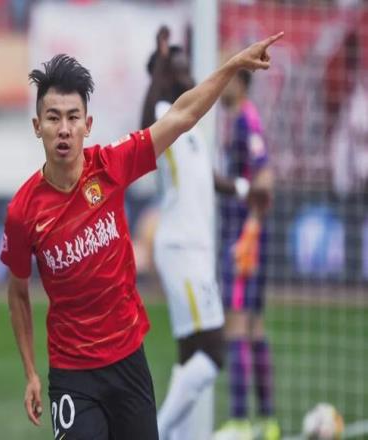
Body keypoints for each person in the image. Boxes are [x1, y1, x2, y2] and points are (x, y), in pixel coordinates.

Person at [0, 32, 283, 440]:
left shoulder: (111, 165)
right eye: (53, 117)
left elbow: (182, 115)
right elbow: (17, 293)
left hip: (128, 362)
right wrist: (30, 372)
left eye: (73, 117)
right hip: (72, 374)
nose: (63, 129)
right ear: (36, 126)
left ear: (88, 125)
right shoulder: (22, 211)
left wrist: (233, 65)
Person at [143, 27, 270, 440]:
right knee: (214, 353)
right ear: (167, 76)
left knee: (190, 354)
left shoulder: (190, 123)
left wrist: (246, 189)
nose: (188, 74)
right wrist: (159, 68)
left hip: (195, 248)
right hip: (182, 248)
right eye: (179, 69)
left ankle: (174, 436)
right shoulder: (163, 112)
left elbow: (209, 178)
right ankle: (157, 432)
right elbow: (144, 130)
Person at [213, 68, 279, 440]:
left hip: (244, 238)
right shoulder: (238, 120)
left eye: (226, 78)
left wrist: (250, 232)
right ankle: (267, 421)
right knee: (253, 327)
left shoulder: (246, 122)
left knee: (238, 324)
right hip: (244, 235)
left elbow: (264, 176)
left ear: (239, 83)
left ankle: (240, 421)